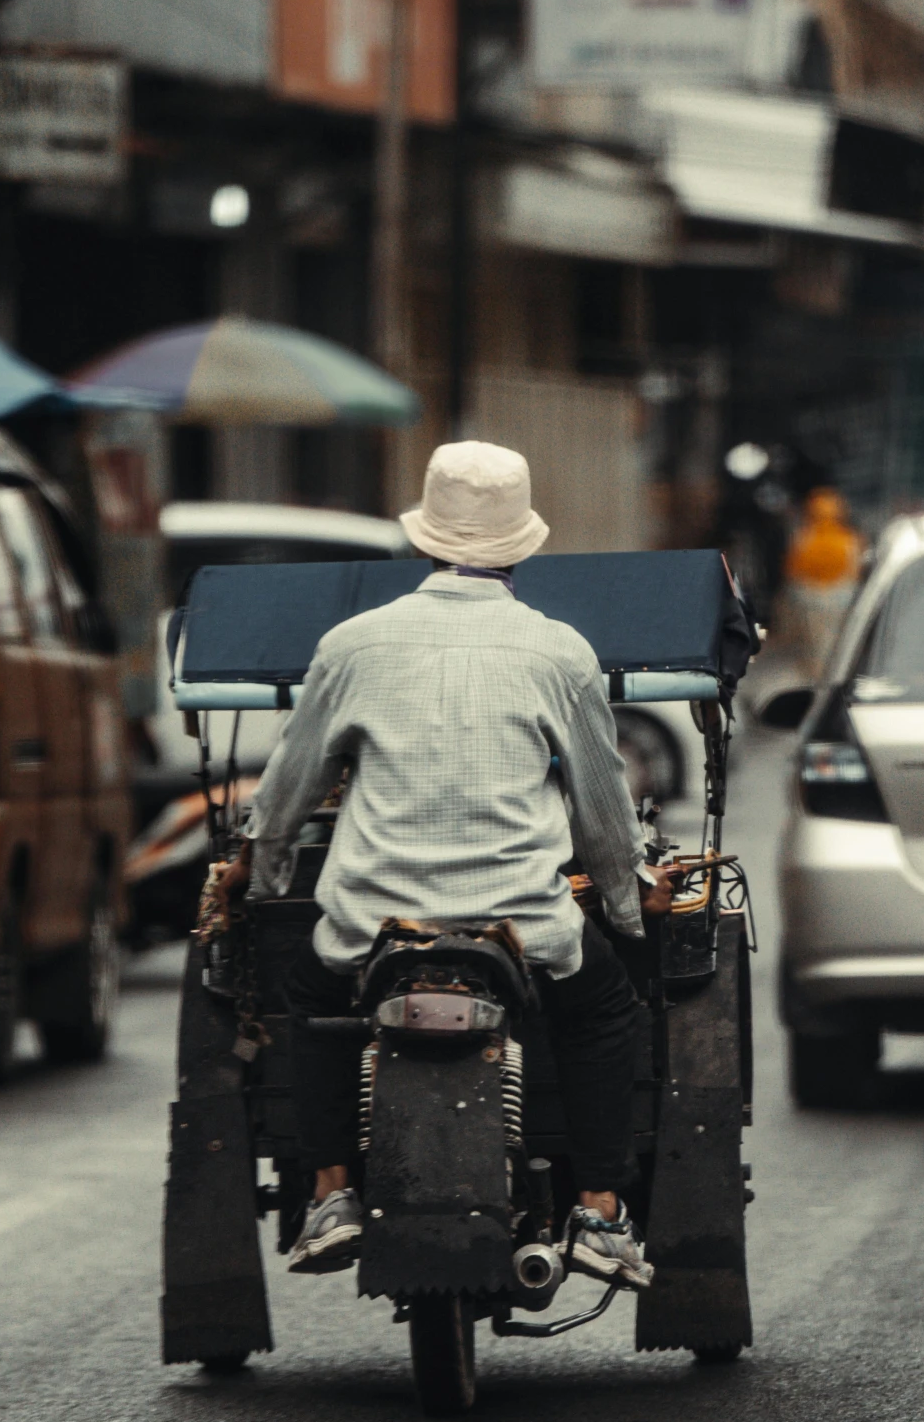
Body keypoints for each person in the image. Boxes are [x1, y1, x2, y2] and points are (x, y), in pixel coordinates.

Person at [224, 440, 677, 1290]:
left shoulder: (352, 644)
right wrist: (621, 907)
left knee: (308, 998)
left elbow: (288, 788)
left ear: (425, 539)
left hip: (368, 926)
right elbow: (601, 810)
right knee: (603, 1010)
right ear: (520, 547)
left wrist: (268, 876)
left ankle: (327, 1193)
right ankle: (602, 1211)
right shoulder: (559, 652)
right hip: (524, 925)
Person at [781, 487, 864, 677]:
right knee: (834, 643)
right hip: (836, 600)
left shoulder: (804, 537)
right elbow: (855, 571)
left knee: (817, 645)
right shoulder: (849, 539)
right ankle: (830, 675)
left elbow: (793, 572)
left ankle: (821, 675)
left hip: (816, 600)